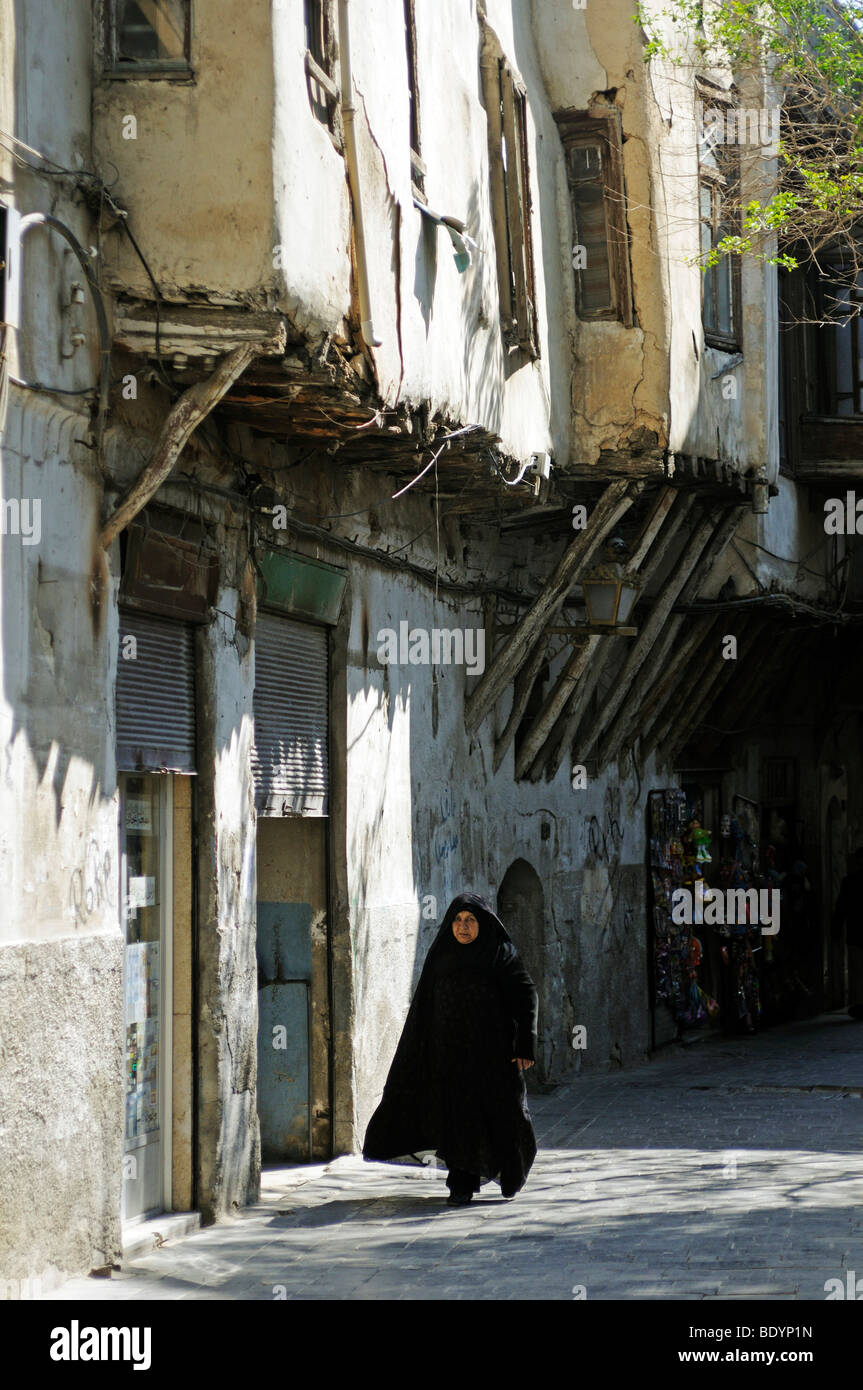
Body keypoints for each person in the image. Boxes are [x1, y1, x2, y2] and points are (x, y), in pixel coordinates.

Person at [362, 892, 538, 1205]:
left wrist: (525, 1044)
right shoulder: (441, 955)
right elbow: (425, 1004)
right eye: (457, 920)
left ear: (483, 923)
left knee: (504, 1115)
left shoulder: (500, 954)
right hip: (449, 1057)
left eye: (470, 920)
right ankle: (461, 1183)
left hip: (494, 1056)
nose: (463, 927)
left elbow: (525, 998)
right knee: (458, 1118)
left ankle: (511, 1172)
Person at [831, 848, 863, 1020]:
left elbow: (841, 908)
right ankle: (859, 1004)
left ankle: (859, 1003)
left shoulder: (850, 881)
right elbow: (841, 907)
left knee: (857, 970)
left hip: (856, 931)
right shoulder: (849, 882)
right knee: (857, 968)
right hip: (856, 932)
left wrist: (836, 930)